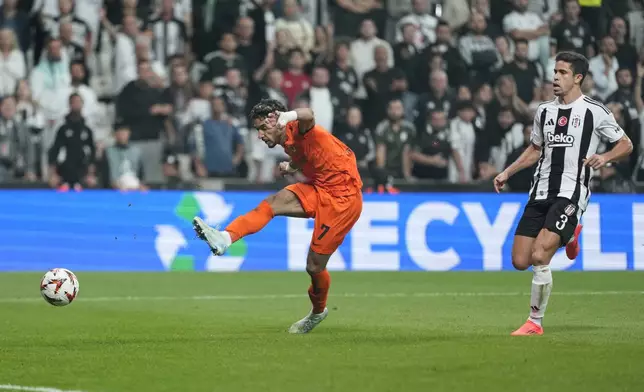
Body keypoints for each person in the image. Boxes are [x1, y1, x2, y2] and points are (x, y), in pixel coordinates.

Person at [193, 99, 363, 334]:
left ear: (278, 121)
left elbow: (308, 114)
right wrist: (292, 166)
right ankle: (225, 238)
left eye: (263, 128)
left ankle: (318, 312)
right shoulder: (288, 141)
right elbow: (307, 155)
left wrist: (288, 115)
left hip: (343, 200)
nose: (260, 135)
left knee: (314, 266)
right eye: (257, 130)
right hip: (320, 188)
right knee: (271, 204)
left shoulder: (300, 127)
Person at [494, 51, 633, 336]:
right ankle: (570, 234)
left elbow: (626, 144)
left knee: (540, 253)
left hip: (571, 192)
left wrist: (604, 158)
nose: (555, 77)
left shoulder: (595, 111)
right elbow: (535, 149)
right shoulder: (544, 110)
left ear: (578, 78)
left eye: (562, 73)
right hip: (541, 190)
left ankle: (535, 322)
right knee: (520, 261)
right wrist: (508, 172)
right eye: (554, 72)